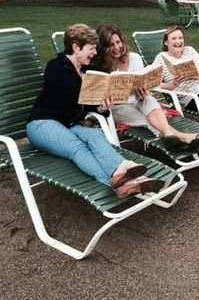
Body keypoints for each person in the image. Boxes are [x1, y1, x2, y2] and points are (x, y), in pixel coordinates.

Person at [26, 24, 165, 198]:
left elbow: (89, 106)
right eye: (91, 49)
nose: (94, 53)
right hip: (42, 124)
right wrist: (96, 92)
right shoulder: (56, 67)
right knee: (78, 148)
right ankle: (117, 183)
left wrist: (102, 107)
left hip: (69, 124)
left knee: (95, 136)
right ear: (76, 48)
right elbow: (77, 95)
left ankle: (126, 172)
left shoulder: (86, 70)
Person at [93, 24, 199, 150]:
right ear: (103, 47)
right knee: (146, 119)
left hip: (138, 99)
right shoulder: (100, 67)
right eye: (111, 45)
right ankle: (183, 137)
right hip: (118, 107)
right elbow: (98, 98)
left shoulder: (134, 58)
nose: (117, 47)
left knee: (149, 99)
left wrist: (143, 91)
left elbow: (141, 81)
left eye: (118, 42)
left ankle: (171, 137)